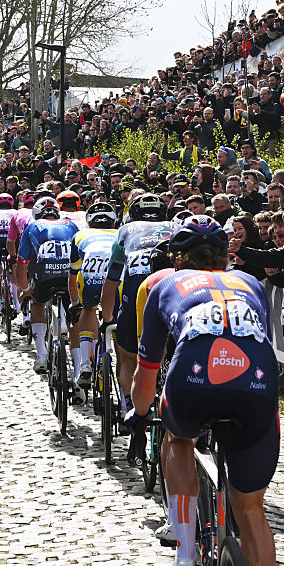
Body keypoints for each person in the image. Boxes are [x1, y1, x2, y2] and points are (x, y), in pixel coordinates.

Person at [125, 215, 277, 566]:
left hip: (193, 381)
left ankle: (185, 551)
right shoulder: (251, 283)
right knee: (252, 508)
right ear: (226, 257)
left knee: (177, 440)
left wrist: (141, 412)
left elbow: (145, 374)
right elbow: (261, 341)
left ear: (178, 258)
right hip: (256, 382)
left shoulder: (165, 284)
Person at [100, 193, 173, 465]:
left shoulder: (125, 231)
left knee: (129, 356)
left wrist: (108, 319)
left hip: (134, 295)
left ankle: (130, 408)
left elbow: (111, 281)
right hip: (171, 291)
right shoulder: (176, 226)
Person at [15, 197, 79, 374]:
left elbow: (22, 264)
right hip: (68, 277)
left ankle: (41, 354)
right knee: (75, 313)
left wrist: (26, 291)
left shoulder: (32, 226)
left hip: (45, 277)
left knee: (37, 303)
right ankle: (79, 365)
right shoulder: (70, 224)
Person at [67, 202, 118, 393]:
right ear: (113, 222)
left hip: (90, 280)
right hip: (115, 283)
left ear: (90, 223)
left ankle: (86, 363)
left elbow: (72, 275)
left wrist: (75, 304)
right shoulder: (121, 233)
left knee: (88, 309)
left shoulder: (80, 235)